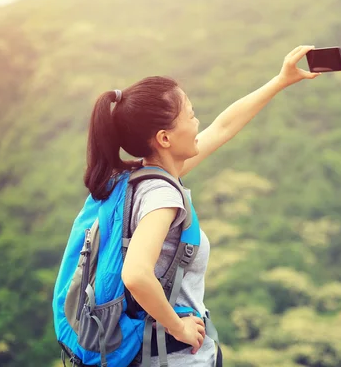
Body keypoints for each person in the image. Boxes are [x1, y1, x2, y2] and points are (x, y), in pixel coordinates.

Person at [83, 45, 321, 366]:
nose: (197, 123)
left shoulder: (140, 178)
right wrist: (177, 325)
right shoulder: (161, 197)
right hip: (175, 357)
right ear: (165, 138)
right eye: (191, 116)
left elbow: (222, 128)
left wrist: (280, 81)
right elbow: (136, 274)